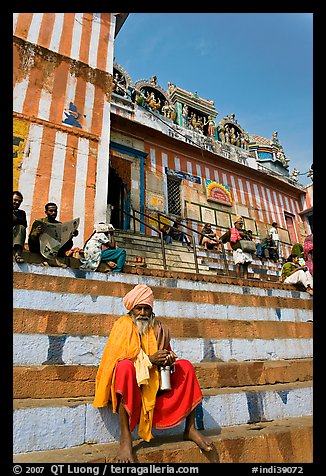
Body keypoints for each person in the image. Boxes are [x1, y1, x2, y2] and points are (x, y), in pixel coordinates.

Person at [93, 284, 213, 463]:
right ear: (131, 309)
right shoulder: (122, 325)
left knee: (186, 366)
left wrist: (168, 358)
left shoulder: (158, 327)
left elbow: (167, 352)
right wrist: (149, 360)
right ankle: (126, 439)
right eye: (138, 308)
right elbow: (116, 361)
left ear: (151, 310)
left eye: (146, 309)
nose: (142, 312)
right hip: (133, 385)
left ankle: (190, 429)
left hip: (157, 384)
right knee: (124, 367)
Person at [13, 191, 27, 263]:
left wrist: (16, 219)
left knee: (21, 227)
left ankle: (17, 254)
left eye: (19, 201)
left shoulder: (21, 213)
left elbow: (24, 223)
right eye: (15, 200)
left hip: (14, 236)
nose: (17, 202)